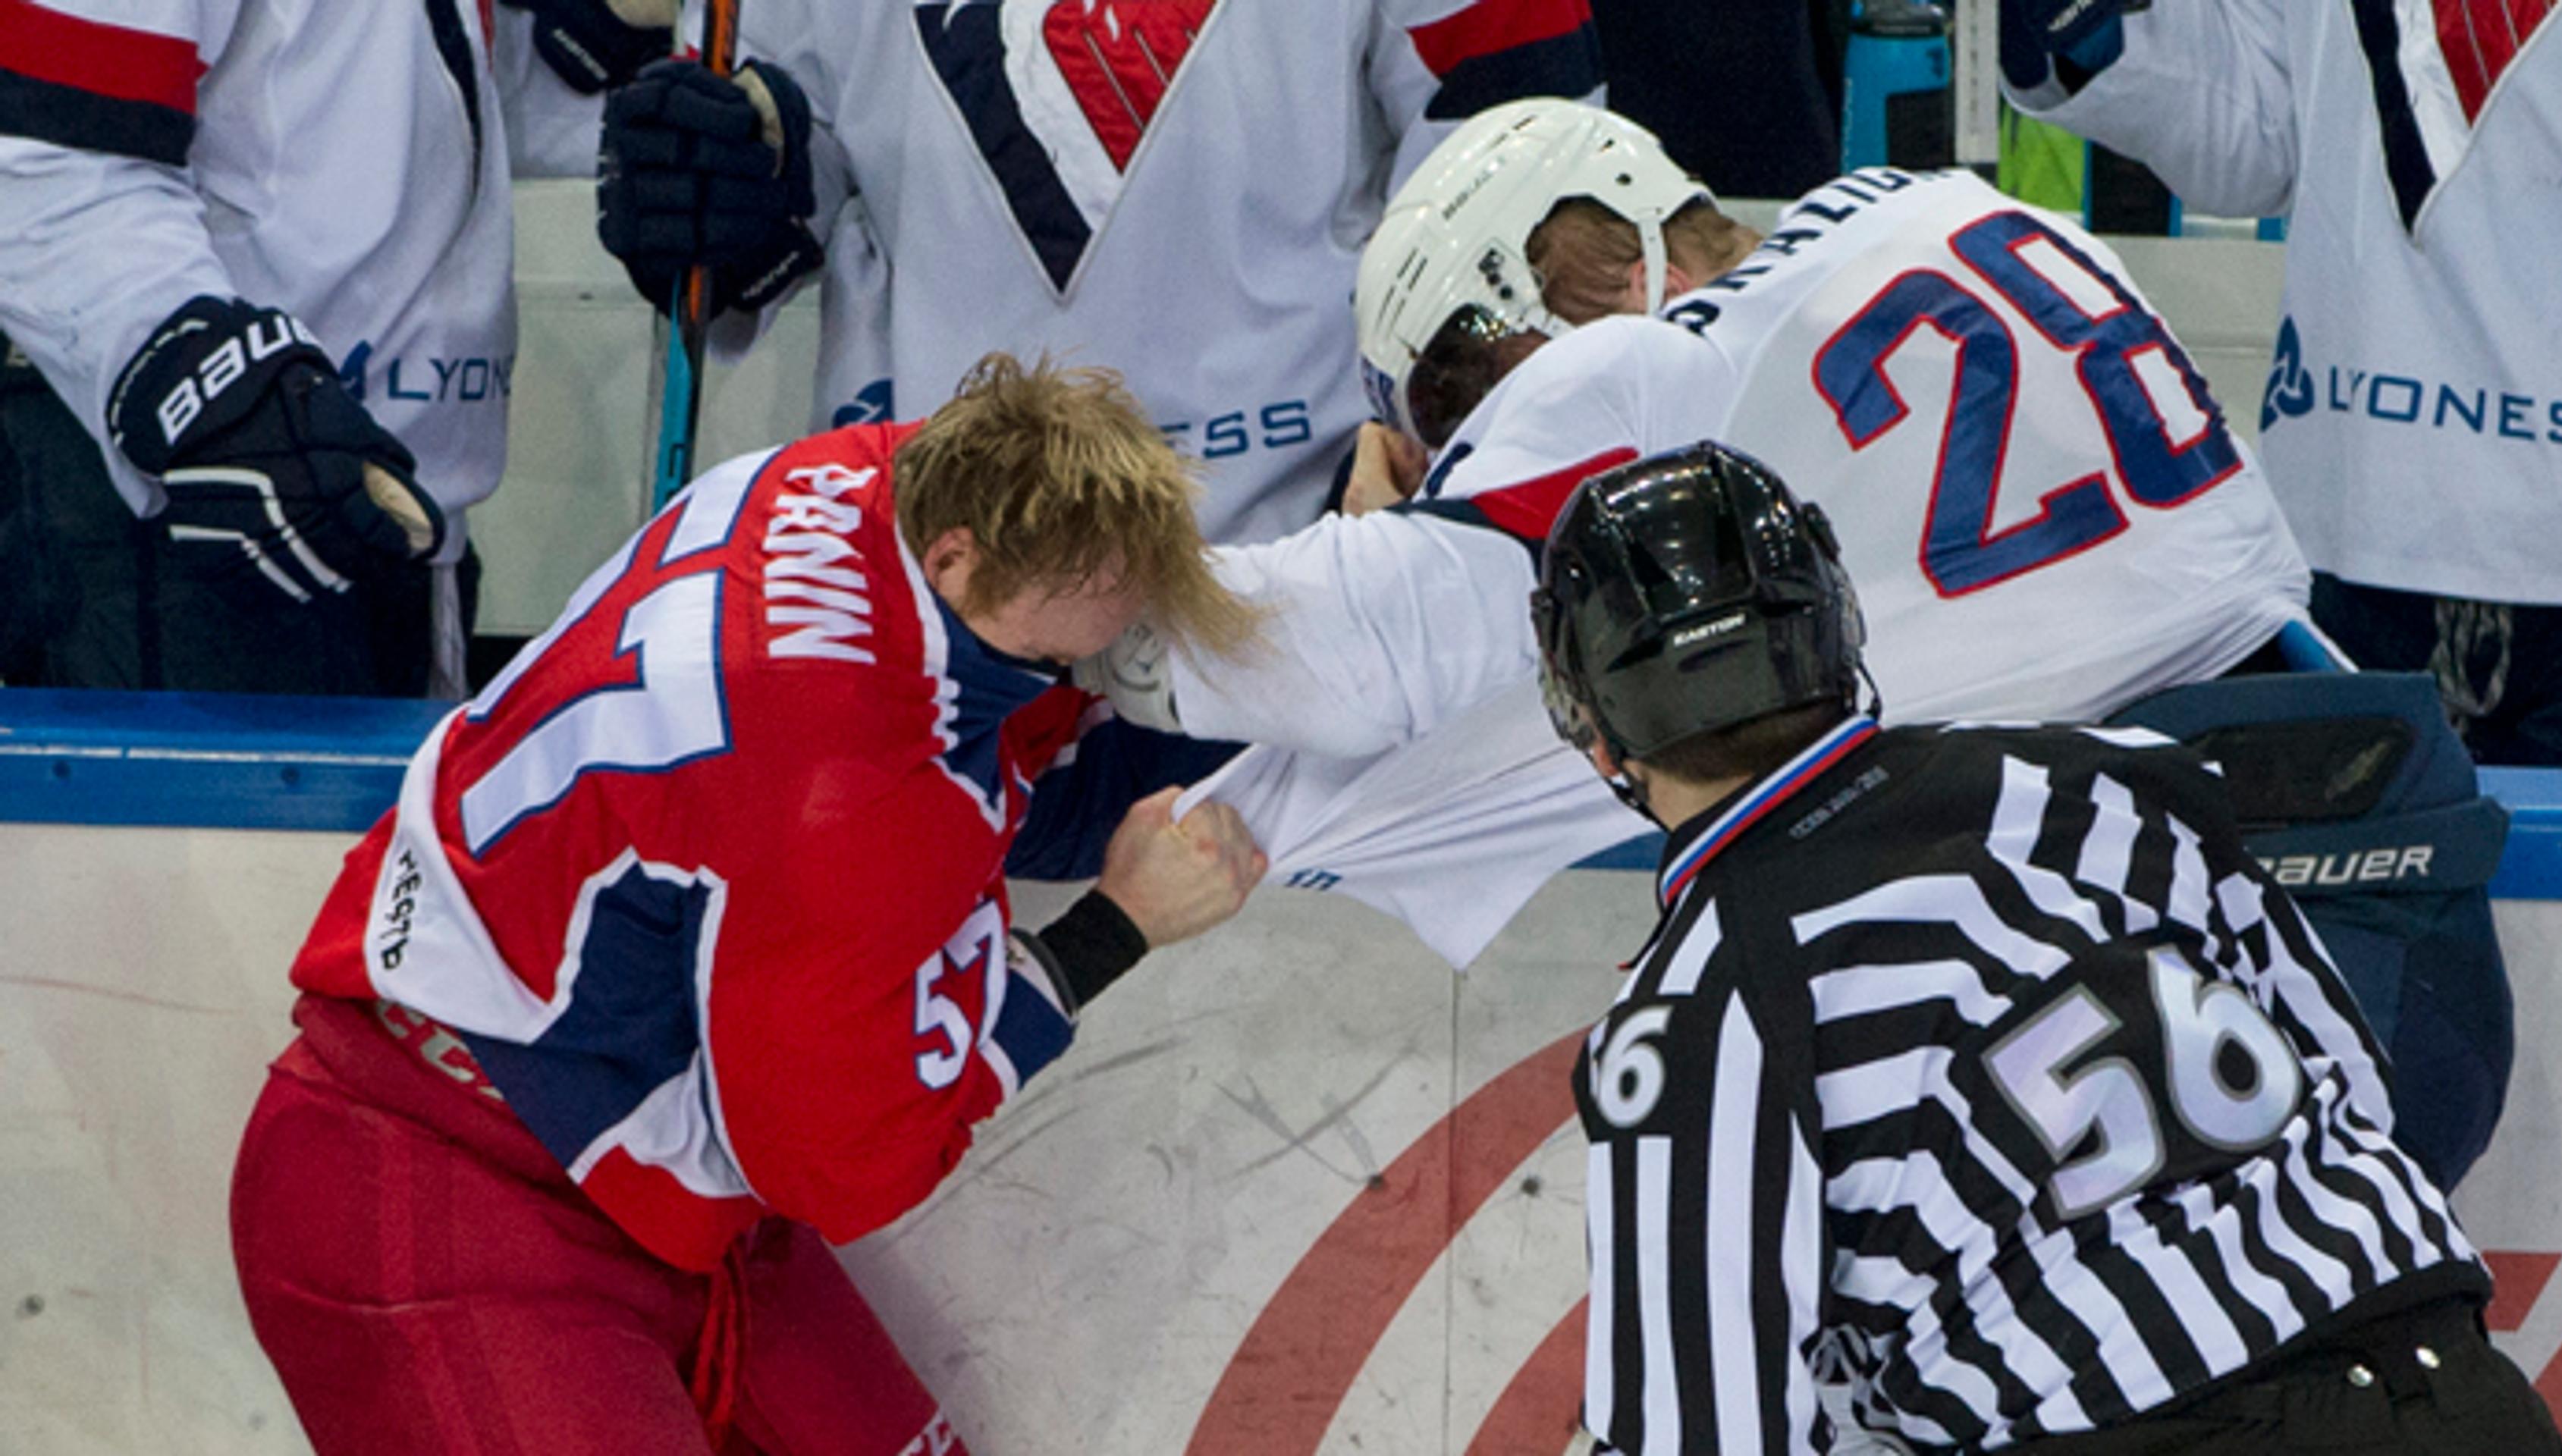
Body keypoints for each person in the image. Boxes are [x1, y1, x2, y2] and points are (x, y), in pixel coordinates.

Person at [228, 355, 1270, 1452]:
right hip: (435, 1204)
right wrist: (1112, 932)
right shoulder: (846, 788)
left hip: (626, 1172)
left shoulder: (854, 474)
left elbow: (991, 767)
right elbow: (842, 1160)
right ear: (957, 560)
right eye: (1056, 659)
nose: (1071, 680)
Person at [1078, 99, 2312, 968]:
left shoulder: (1633, 374)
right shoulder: (1945, 209)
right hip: (2356, 802)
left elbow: (1337, 655)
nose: (1460, 441)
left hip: (2132, 938)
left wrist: (1055, 595)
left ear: (1599, 266)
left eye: (1456, 384)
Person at [1534, 441, 2562, 1456]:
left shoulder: (1698, 1002)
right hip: (2458, 1399)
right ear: (1834, 627)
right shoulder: (2105, 778)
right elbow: (2352, 1092)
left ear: (1597, 736)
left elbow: (1695, 1436)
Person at [591, 0, 1603, 548]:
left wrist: (1442, 455)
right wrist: (721, 199)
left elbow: (1520, 167)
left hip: (1297, 558)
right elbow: (775, 181)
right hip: (928, 556)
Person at [0, 0, 667, 695]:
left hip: (397, 513)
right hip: (198, 525)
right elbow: (39, 150)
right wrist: (206, 391)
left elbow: (375, 101)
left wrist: (638, 114)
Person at [2000, 1, 2562, 767]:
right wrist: (2095, 41)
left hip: (2558, 546)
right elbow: (2268, 128)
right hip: (2349, 527)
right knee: (2331, 882)